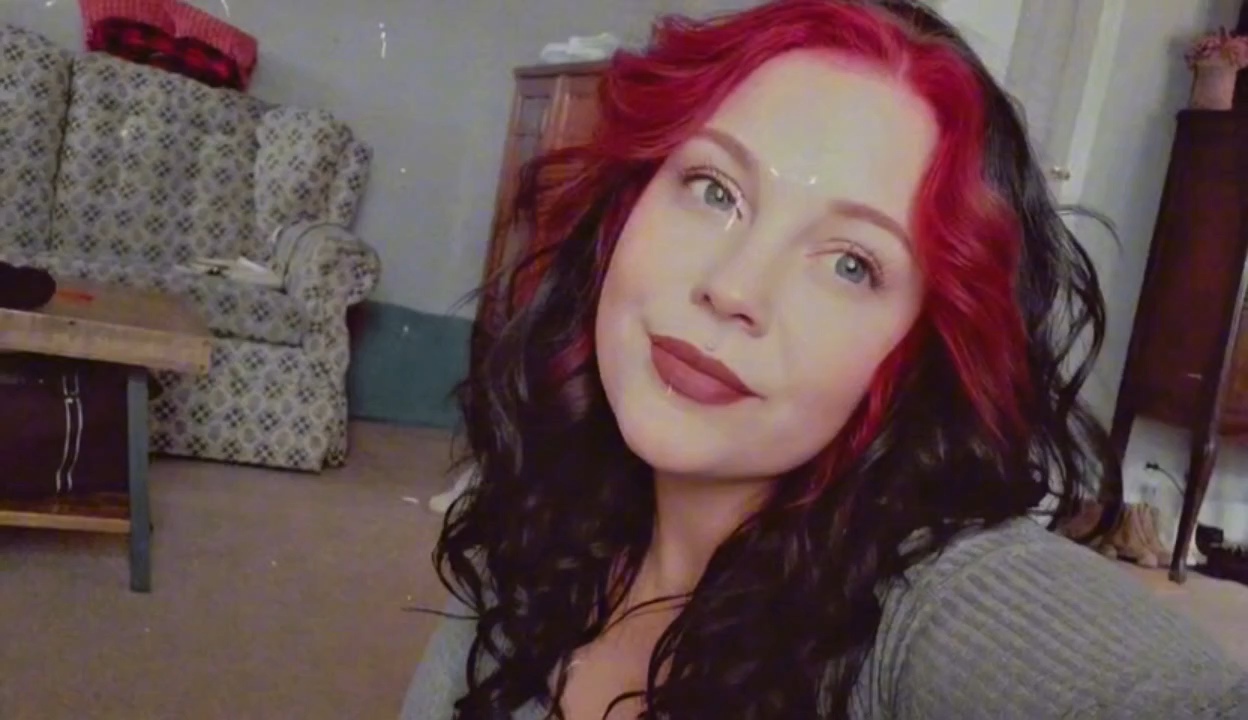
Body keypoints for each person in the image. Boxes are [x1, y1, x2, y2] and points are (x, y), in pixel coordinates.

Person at [402, 1, 1248, 718]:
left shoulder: (923, 606)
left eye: (851, 264)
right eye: (715, 190)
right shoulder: (530, 510)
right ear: (630, 202)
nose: (733, 287)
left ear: (917, 351)